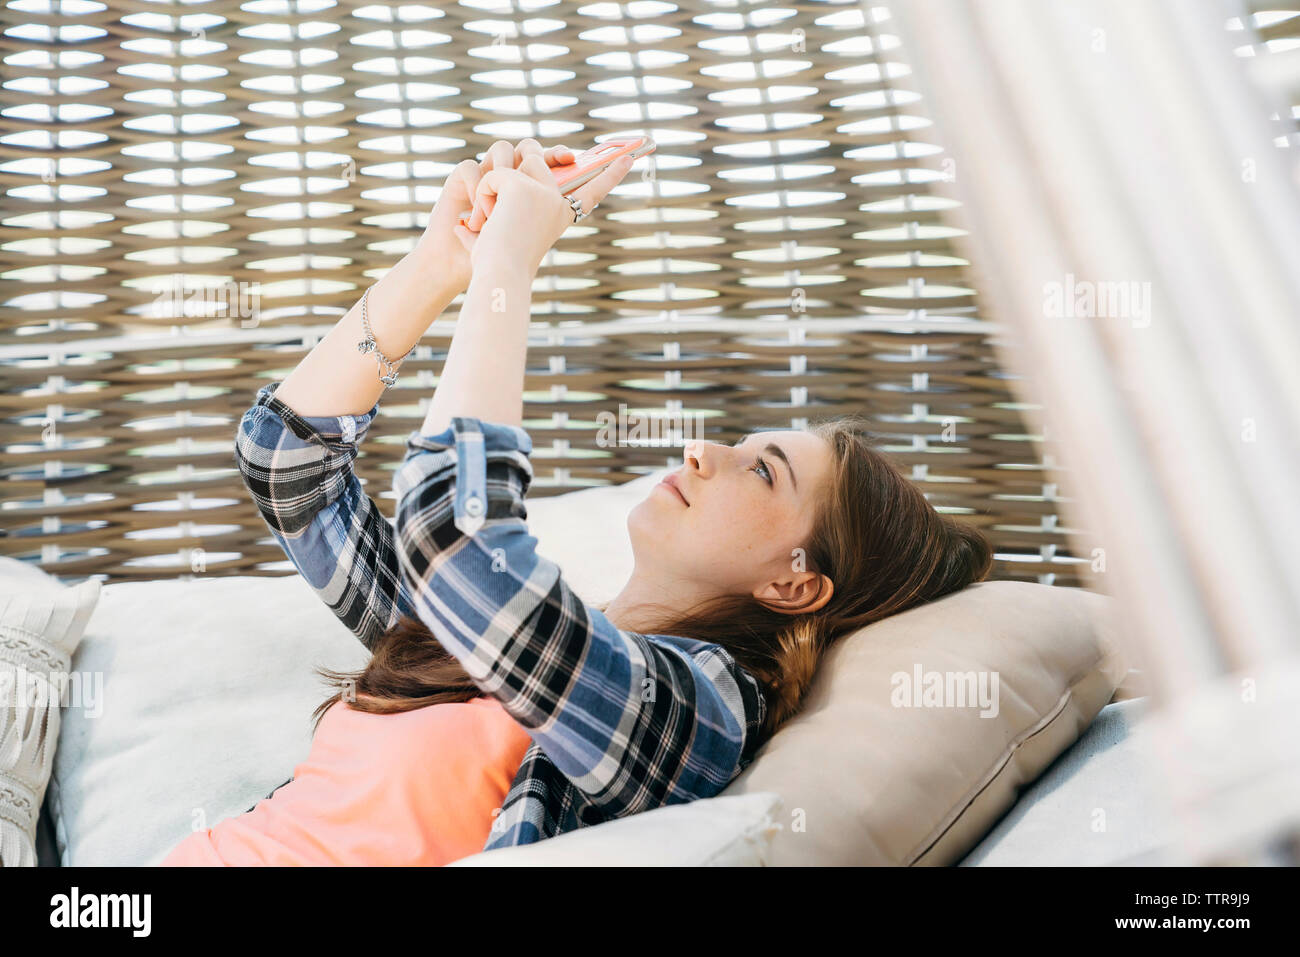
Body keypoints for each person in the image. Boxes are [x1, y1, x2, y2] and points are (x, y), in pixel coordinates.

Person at [163, 138, 992, 866]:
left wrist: (510, 270)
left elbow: (454, 541)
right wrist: (440, 265)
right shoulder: (524, 637)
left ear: (795, 583)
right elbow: (287, 462)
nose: (705, 450)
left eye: (762, 470)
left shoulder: (700, 712)